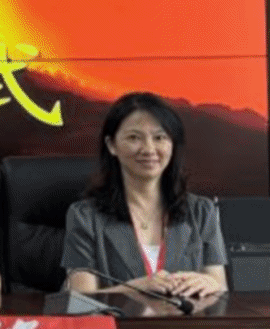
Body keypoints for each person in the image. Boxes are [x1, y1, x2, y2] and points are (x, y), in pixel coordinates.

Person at [62, 92, 228, 301]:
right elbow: (80, 299)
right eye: (134, 138)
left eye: (159, 138)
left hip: (186, 321)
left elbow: (220, 288)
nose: (149, 149)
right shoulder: (85, 216)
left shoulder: (202, 211)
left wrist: (211, 284)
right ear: (112, 145)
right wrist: (134, 289)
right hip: (118, 322)